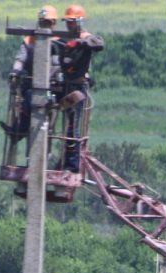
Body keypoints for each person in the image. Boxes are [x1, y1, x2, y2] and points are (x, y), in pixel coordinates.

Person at [5, 6, 61, 153]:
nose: (45, 25)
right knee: (29, 99)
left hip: (52, 87)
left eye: (48, 22)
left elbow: (57, 64)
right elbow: (20, 59)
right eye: (43, 22)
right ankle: (20, 131)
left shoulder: (58, 41)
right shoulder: (29, 39)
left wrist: (55, 78)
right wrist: (15, 71)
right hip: (30, 84)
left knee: (44, 123)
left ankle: (20, 132)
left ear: (54, 23)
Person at [57, 4, 104, 173]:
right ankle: (61, 160)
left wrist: (81, 42)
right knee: (54, 121)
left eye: (71, 22)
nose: (68, 25)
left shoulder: (87, 39)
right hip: (64, 86)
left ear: (79, 21)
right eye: (67, 22)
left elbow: (99, 43)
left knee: (72, 126)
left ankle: (72, 164)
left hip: (78, 87)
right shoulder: (62, 39)